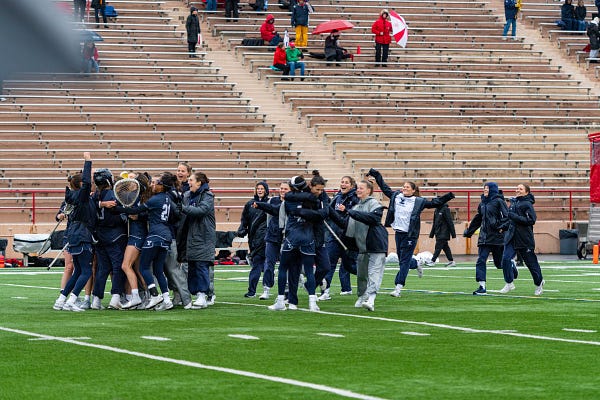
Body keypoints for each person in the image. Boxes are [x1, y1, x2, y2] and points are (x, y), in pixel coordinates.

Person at [366, 168, 454, 298]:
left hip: (410, 234)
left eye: (407, 187)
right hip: (399, 233)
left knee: (404, 261)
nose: (404, 188)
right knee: (402, 259)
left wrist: (449, 195)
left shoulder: (418, 201)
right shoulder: (396, 196)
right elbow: (385, 188)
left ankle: (398, 287)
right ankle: (417, 263)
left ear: (413, 190)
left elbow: (435, 203)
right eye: (403, 186)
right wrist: (376, 174)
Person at [268, 175, 320, 311]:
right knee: (309, 270)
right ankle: (312, 301)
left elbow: (289, 197)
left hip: (292, 237)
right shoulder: (312, 199)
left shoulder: (289, 199)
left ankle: (281, 300)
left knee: (284, 268)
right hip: (308, 236)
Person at [53, 152, 97, 312]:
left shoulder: (74, 197)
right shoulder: (81, 196)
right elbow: (86, 182)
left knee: (78, 270)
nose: (92, 183)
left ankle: (61, 299)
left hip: (73, 234)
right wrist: (88, 161)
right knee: (86, 271)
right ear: (80, 185)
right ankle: (72, 300)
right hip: (82, 235)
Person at [344, 180, 388, 311]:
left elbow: (374, 218)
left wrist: (351, 213)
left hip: (376, 244)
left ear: (369, 190)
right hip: (362, 246)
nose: (358, 190)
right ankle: (362, 295)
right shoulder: (356, 207)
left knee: (374, 272)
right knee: (362, 274)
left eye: (361, 188)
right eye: (357, 188)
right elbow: (347, 225)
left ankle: (371, 299)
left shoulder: (374, 204)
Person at [463, 182, 513, 295]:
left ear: (493, 190)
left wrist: (501, 228)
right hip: (484, 238)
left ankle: (511, 266)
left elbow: (507, 217)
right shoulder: (482, 203)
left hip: (497, 238)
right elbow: (478, 218)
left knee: (499, 264)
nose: (485, 190)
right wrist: (469, 232)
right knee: (481, 260)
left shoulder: (499, 201)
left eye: (487, 188)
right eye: (484, 188)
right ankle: (482, 286)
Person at [499, 184, 545, 295]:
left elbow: (531, 220)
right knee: (505, 259)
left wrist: (514, 216)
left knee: (531, 263)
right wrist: (503, 226)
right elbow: (511, 220)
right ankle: (509, 283)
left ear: (527, 192)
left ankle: (539, 284)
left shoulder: (527, 204)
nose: (518, 190)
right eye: (517, 188)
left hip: (524, 238)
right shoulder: (514, 203)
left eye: (521, 189)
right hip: (512, 237)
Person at [91, 168, 127, 310]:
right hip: (115, 235)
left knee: (102, 269)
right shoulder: (114, 194)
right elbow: (121, 216)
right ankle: (116, 297)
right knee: (117, 268)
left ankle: (96, 299)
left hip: (99, 236)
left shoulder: (94, 197)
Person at [179, 171, 216, 309]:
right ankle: (196, 293)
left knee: (201, 266)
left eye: (191, 180)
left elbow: (201, 211)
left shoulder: (207, 196)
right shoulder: (187, 195)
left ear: (199, 182)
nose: (189, 183)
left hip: (203, 236)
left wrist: (181, 207)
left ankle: (202, 294)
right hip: (190, 236)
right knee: (192, 267)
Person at [321, 175, 359, 300]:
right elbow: (329, 211)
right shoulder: (337, 197)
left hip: (348, 237)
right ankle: (325, 291)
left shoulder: (356, 198)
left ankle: (363, 279)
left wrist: (347, 209)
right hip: (334, 235)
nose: (343, 184)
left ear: (352, 185)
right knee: (329, 263)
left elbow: (358, 214)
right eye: (342, 182)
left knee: (349, 265)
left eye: (346, 182)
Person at [252, 181, 291, 300]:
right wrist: (253, 230)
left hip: (287, 237)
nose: (283, 191)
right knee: (269, 263)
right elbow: (265, 215)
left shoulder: (292, 203)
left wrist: (260, 205)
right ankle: (266, 288)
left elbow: (275, 210)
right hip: (272, 236)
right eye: (281, 188)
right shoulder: (272, 200)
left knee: (286, 265)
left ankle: (286, 289)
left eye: (285, 189)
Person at [237, 182, 269, 298]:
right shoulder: (249, 204)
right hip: (253, 238)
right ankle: (254, 290)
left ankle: (264, 289)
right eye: (258, 188)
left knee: (265, 264)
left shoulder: (269, 203)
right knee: (257, 264)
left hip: (266, 239)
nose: (260, 190)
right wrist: (242, 229)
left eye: (262, 188)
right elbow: (244, 220)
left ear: (266, 190)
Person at [428, 203, 457, 267]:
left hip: (444, 232)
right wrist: (432, 234)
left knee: (438, 246)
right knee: (445, 247)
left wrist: (453, 234)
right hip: (438, 232)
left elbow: (450, 222)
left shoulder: (445, 209)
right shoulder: (436, 210)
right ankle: (451, 261)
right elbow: (434, 223)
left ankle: (433, 261)